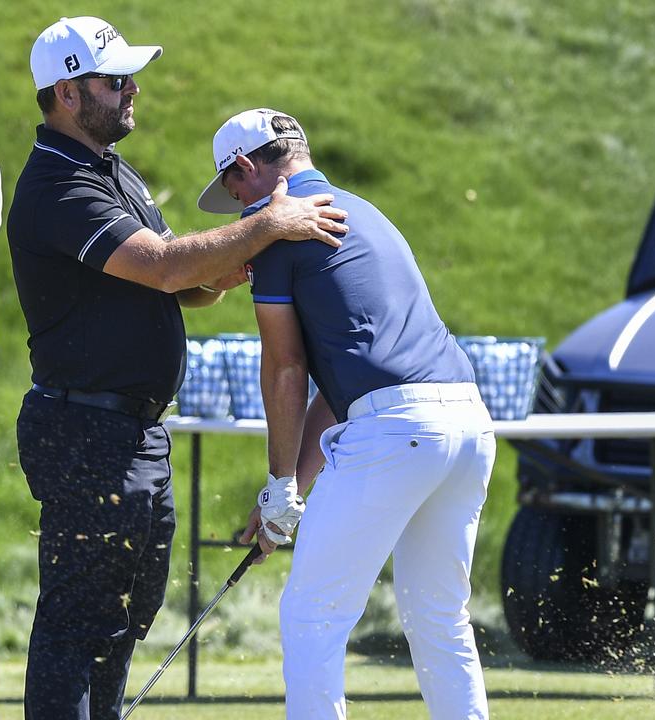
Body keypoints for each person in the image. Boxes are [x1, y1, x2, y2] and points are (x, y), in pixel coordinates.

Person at [7, 18, 350, 720]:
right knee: (78, 626)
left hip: (131, 436)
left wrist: (229, 266)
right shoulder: (56, 186)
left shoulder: (108, 170)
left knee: (125, 616)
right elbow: (163, 268)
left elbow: (185, 282)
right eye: (115, 79)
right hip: (85, 432)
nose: (133, 89)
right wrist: (269, 222)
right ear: (68, 93)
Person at [212, 108, 494, 719]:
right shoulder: (370, 212)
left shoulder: (276, 231)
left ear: (245, 168)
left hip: (397, 431)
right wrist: (287, 493)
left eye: (232, 191)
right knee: (439, 620)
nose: (237, 209)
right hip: (468, 424)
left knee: (311, 613)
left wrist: (279, 486)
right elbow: (338, 394)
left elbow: (285, 367)